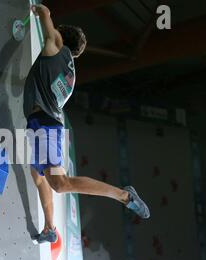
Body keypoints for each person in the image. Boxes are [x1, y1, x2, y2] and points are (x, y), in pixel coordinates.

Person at [24, 4, 150, 244]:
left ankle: (123, 195)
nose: (54, 36)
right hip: (44, 123)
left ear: (62, 39)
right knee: (39, 175)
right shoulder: (69, 72)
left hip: (45, 126)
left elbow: (49, 28)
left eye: (58, 34)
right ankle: (50, 229)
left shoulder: (57, 51)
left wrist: (42, 12)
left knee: (60, 184)